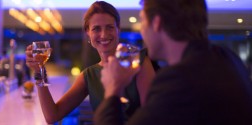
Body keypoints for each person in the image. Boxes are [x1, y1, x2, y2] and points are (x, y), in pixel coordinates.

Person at [94, 0, 252, 125]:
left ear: (156, 23)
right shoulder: (227, 58)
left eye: (142, 20)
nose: (141, 30)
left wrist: (113, 90)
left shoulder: (180, 79)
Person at [25, 1, 155, 124]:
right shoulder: (89, 75)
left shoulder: (138, 62)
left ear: (118, 29)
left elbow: (152, 117)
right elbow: (52, 115)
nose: (103, 35)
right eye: (96, 29)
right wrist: (38, 71)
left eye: (109, 27)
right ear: (88, 32)